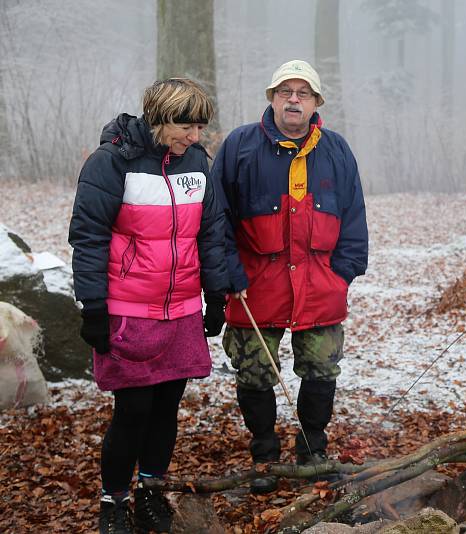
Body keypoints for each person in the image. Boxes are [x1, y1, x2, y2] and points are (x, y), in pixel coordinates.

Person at [69, 78, 229, 534]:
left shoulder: (197, 162)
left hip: (180, 310)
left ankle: (151, 492)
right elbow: (89, 237)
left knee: (166, 409)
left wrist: (214, 298)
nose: (194, 137)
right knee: (133, 410)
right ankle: (114, 501)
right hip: (128, 310)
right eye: (185, 125)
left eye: (199, 126)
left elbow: (212, 231)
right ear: (158, 119)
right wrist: (93, 307)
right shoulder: (110, 164)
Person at [211, 59, 368, 493]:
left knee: (321, 368)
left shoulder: (336, 150)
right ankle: (264, 454)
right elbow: (216, 216)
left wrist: (344, 275)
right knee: (254, 371)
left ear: (317, 102)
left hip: (321, 285)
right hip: (254, 286)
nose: (293, 99)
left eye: (303, 93)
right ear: (272, 98)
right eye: (285, 91)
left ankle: (312, 448)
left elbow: (354, 218)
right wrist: (227, 273)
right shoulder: (239, 145)